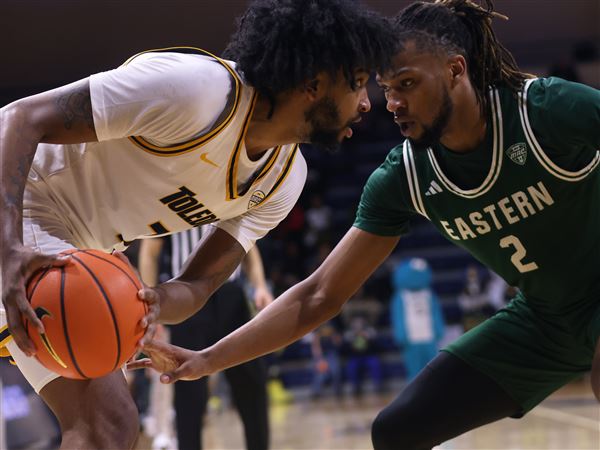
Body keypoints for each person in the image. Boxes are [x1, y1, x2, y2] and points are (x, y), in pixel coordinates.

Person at [131, 1, 600, 449]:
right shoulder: (406, 177)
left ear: (456, 70)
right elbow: (319, 297)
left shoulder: (543, 111)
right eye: (386, 88)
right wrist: (208, 358)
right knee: (396, 432)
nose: (391, 102)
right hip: (546, 321)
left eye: (407, 84)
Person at [0, 1, 396, 447]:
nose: (366, 103)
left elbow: (200, 285)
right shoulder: (197, 90)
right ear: (313, 83)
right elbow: (19, 119)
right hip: (26, 203)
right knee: (106, 423)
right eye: (358, 84)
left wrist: (151, 303)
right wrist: (9, 246)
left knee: (108, 426)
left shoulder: (284, 181)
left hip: (85, 246)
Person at [138, 230, 273, 450]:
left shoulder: (232, 198)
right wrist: (151, 306)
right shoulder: (173, 199)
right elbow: (149, 250)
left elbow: (249, 243)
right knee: (188, 391)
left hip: (231, 295)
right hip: (185, 297)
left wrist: (260, 286)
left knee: (252, 383)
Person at [390, 258, 445, 382]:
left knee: (433, 368)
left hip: (429, 337)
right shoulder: (400, 297)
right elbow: (398, 317)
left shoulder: (429, 295)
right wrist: (401, 334)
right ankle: (414, 394)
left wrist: (438, 329)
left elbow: (436, 313)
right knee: (414, 370)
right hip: (411, 339)